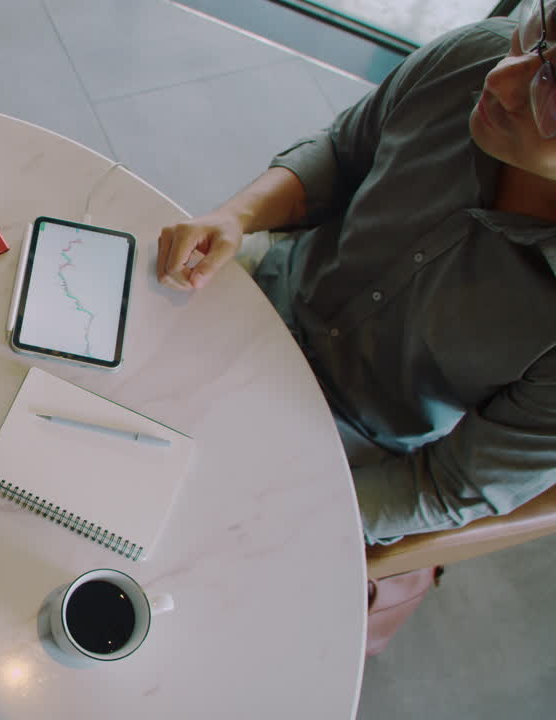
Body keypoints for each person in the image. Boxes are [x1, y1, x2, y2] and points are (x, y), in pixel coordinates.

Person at [156, 3, 556, 544]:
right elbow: (345, 153)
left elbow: (444, 487)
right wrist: (238, 215)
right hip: (267, 290)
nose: (502, 77)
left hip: (343, 442)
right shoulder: (476, 55)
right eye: (540, 33)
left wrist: (285, 513)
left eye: (552, 95)